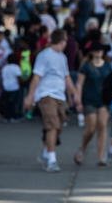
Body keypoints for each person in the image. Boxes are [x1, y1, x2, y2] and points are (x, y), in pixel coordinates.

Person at [23, 29, 80, 172]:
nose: (67, 43)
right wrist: (30, 96)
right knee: (52, 126)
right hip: (46, 94)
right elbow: (36, 77)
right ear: (61, 41)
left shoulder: (62, 57)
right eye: (66, 40)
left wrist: (74, 94)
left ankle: (45, 152)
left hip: (60, 95)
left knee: (58, 127)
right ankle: (52, 160)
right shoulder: (44, 55)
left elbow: (66, 77)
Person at [73, 41, 112, 166]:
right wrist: (78, 99)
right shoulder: (86, 66)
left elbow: (111, 84)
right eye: (96, 50)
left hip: (104, 101)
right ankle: (82, 148)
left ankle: (101, 157)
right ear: (92, 52)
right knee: (90, 128)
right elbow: (79, 84)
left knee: (102, 125)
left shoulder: (108, 66)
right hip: (89, 99)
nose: (99, 52)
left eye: (101, 50)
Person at [0, 53, 23, 121]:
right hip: (14, 87)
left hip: (6, 87)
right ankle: (13, 116)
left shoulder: (5, 67)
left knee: (7, 103)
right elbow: (19, 78)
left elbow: (2, 78)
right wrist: (21, 83)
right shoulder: (16, 67)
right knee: (14, 103)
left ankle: (7, 117)